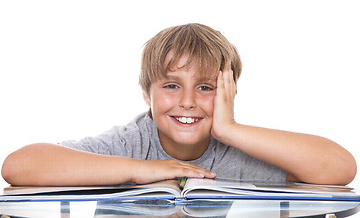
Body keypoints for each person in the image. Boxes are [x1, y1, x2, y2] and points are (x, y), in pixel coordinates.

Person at [1, 23, 356, 187]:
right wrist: (137, 169)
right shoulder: (131, 144)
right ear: (147, 96)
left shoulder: (238, 149)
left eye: (205, 87)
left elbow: (339, 168)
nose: (187, 101)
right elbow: (19, 166)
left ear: (228, 93)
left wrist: (230, 129)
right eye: (171, 85)